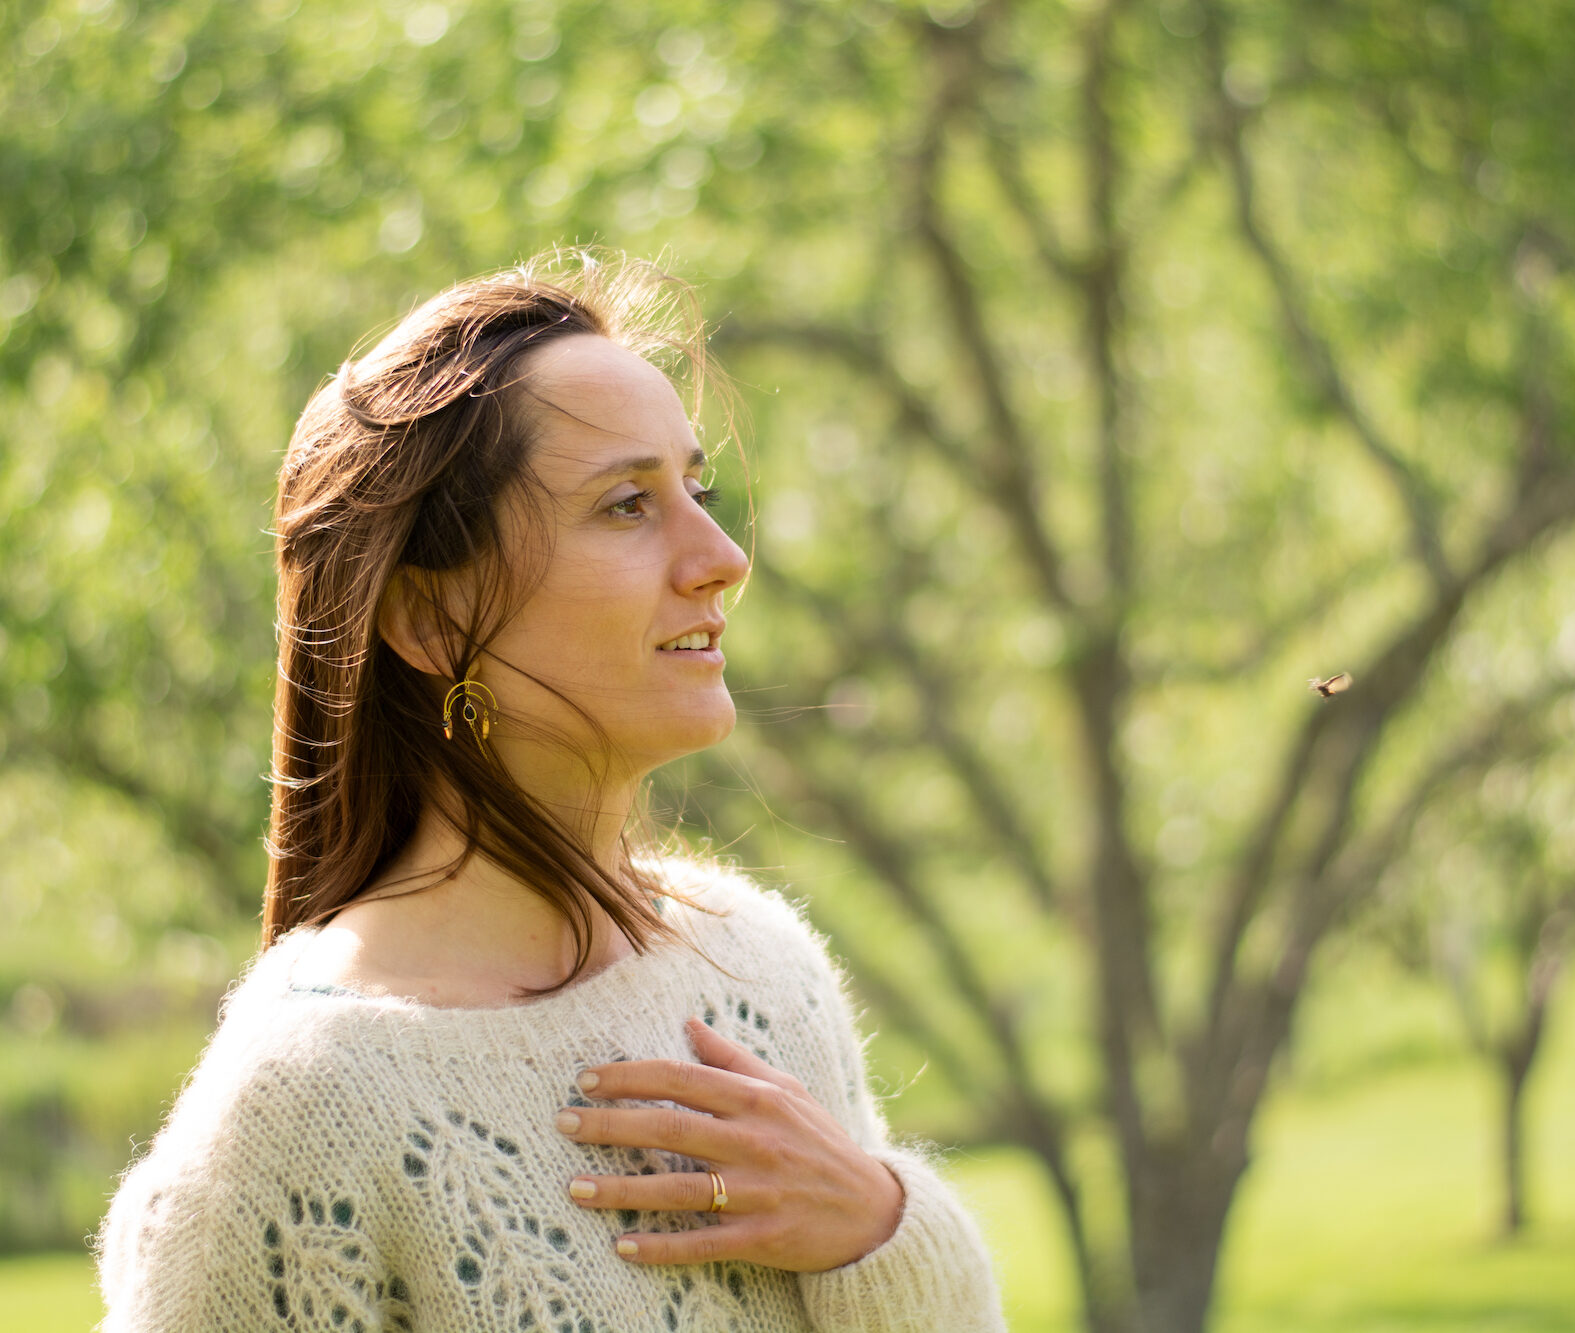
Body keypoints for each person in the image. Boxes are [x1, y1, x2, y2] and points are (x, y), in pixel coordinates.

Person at [95, 251, 1006, 1332]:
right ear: (429, 621)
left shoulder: (762, 968)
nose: (722, 556)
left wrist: (882, 1232)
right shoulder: (301, 1108)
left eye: (695, 489)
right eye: (627, 504)